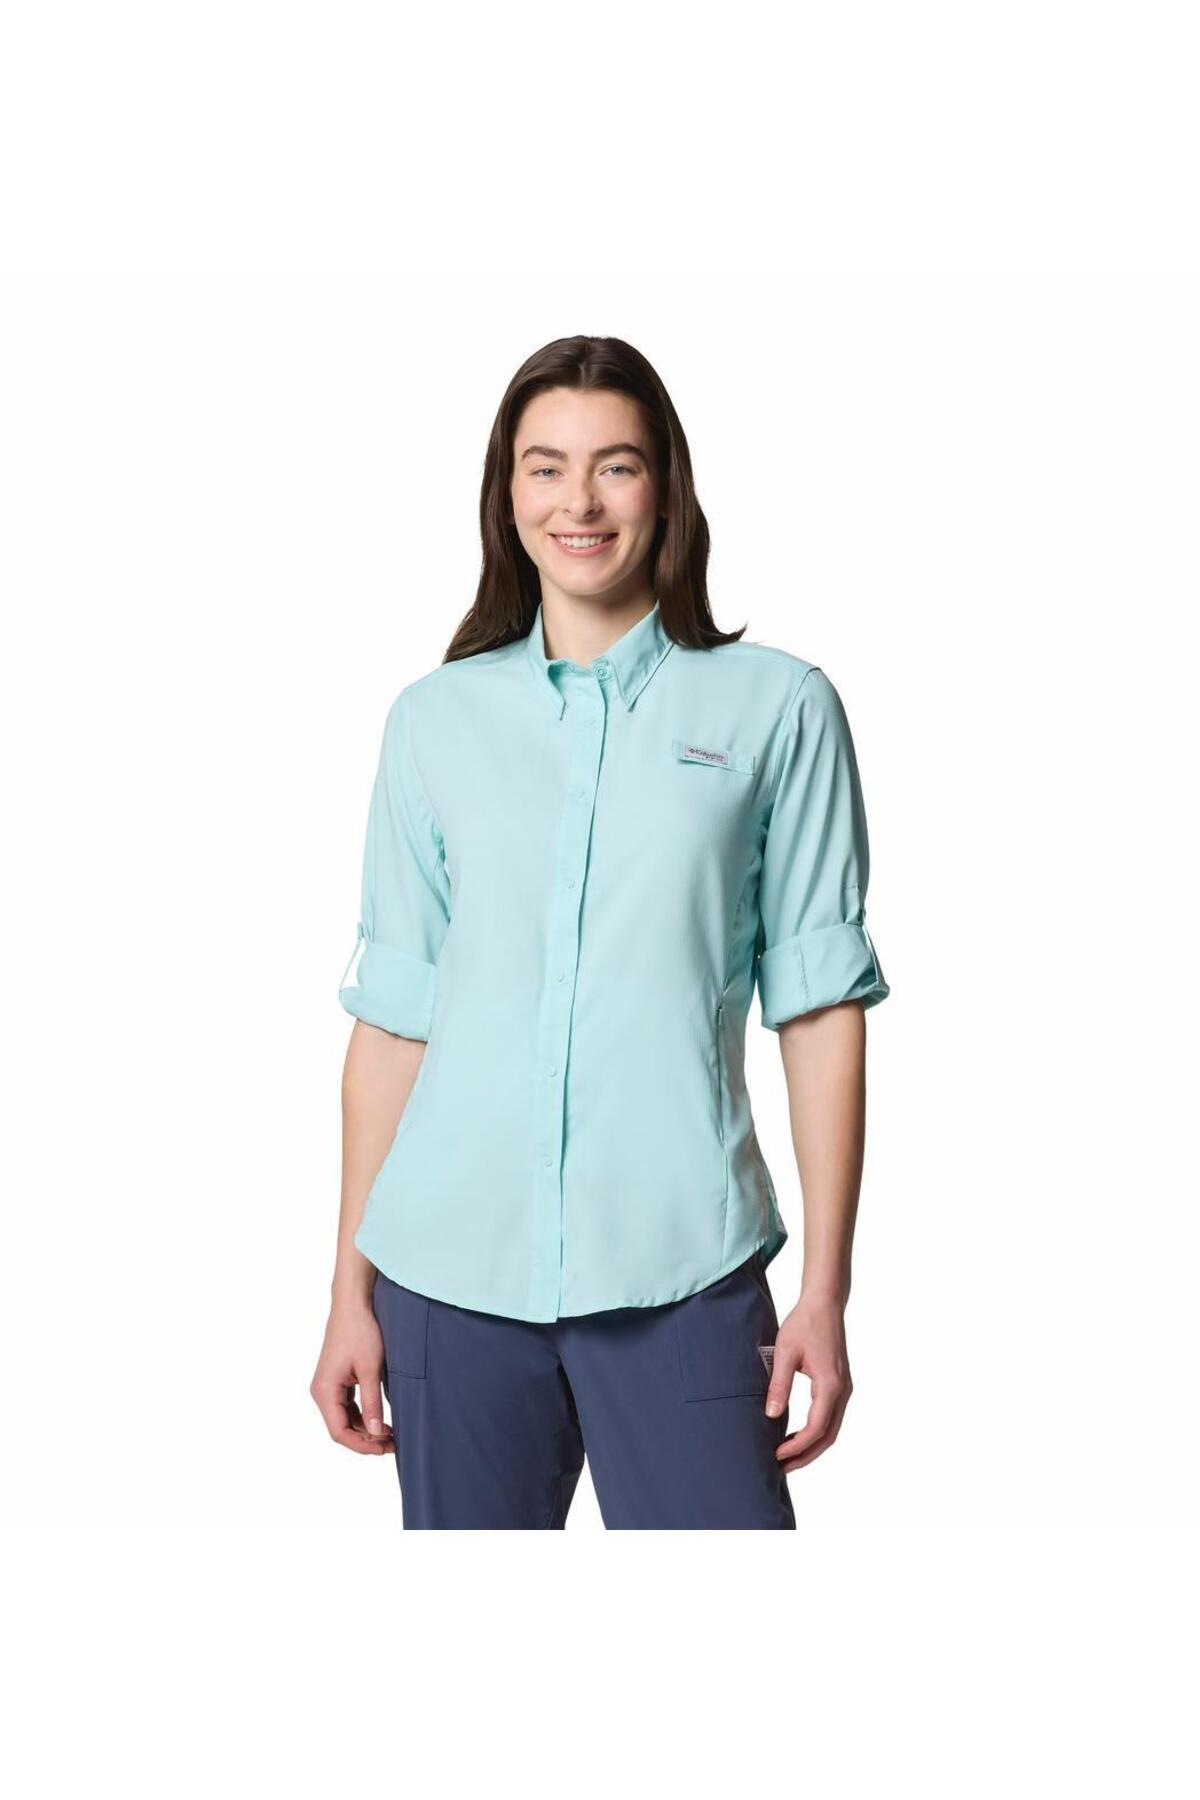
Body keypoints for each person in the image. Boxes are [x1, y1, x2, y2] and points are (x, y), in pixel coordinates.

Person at [310, 334, 890, 1529]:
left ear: (665, 489)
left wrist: (824, 1293)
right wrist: (346, 1294)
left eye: (615, 466)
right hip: (447, 1281)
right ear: (506, 493)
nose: (578, 502)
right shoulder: (433, 721)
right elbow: (394, 1027)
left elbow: (820, 1010)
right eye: (546, 467)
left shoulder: (779, 708)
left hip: (683, 1273)